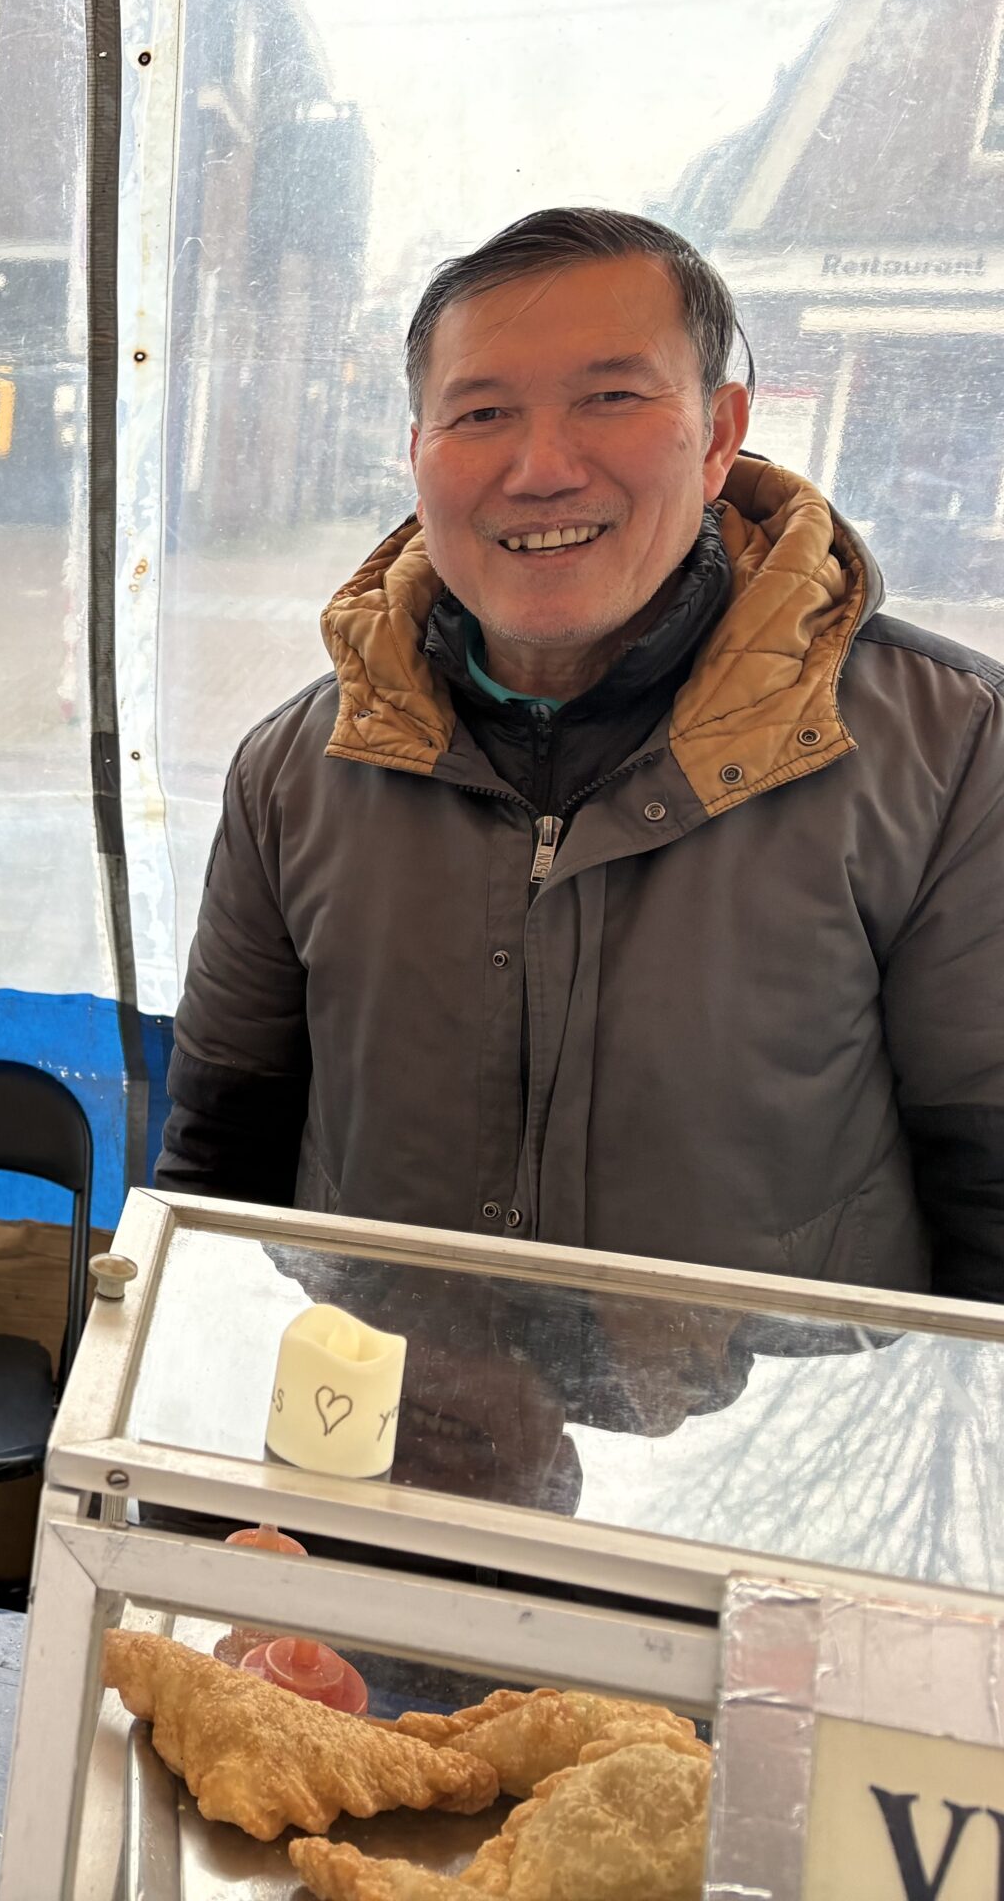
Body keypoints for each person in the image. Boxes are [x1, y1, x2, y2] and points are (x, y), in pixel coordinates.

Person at [157, 207, 1004, 1302]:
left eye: (610, 397)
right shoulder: (296, 771)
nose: (541, 467)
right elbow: (219, 1160)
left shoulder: (945, 754)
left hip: (744, 1445)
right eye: (480, 411)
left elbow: (988, 1196)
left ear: (716, 433)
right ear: (417, 452)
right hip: (373, 1435)